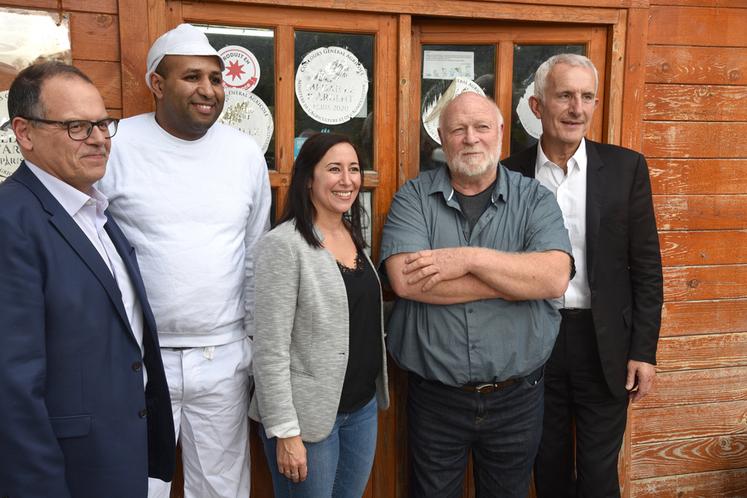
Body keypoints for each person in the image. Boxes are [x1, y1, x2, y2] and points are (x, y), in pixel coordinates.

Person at [97, 24, 271, 498]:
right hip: (138, 358)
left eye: (215, 79)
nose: (208, 90)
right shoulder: (116, 146)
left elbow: (255, 256)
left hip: (224, 355)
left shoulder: (244, 154)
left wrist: (253, 346)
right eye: (192, 77)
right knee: (136, 485)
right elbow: (89, 248)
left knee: (221, 489)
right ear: (156, 83)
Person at [380, 91, 573, 498]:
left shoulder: (535, 199)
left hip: (518, 398)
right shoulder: (413, 198)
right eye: (458, 129)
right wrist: (513, 281)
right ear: (441, 138)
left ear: (500, 133)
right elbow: (405, 282)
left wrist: (464, 259)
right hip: (435, 398)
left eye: (482, 127)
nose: (471, 138)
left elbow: (553, 279)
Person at [0, 61, 175, 498]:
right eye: (77, 126)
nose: (98, 138)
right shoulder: (11, 220)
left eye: (102, 124)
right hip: (67, 473)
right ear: (24, 133)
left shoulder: (95, 212)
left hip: (120, 460)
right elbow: (12, 388)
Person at [503, 53, 663, 498]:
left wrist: (644, 350)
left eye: (587, 97)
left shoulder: (626, 168)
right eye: (565, 96)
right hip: (535, 338)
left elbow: (647, 268)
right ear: (537, 106)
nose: (577, 108)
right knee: (546, 466)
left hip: (605, 342)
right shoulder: (509, 174)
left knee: (597, 476)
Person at [250, 132, 389, 498]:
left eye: (354, 169)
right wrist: (286, 432)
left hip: (360, 408)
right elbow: (269, 350)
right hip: (308, 423)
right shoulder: (283, 246)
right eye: (334, 169)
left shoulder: (352, 233)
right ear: (308, 178)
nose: (347, 180)